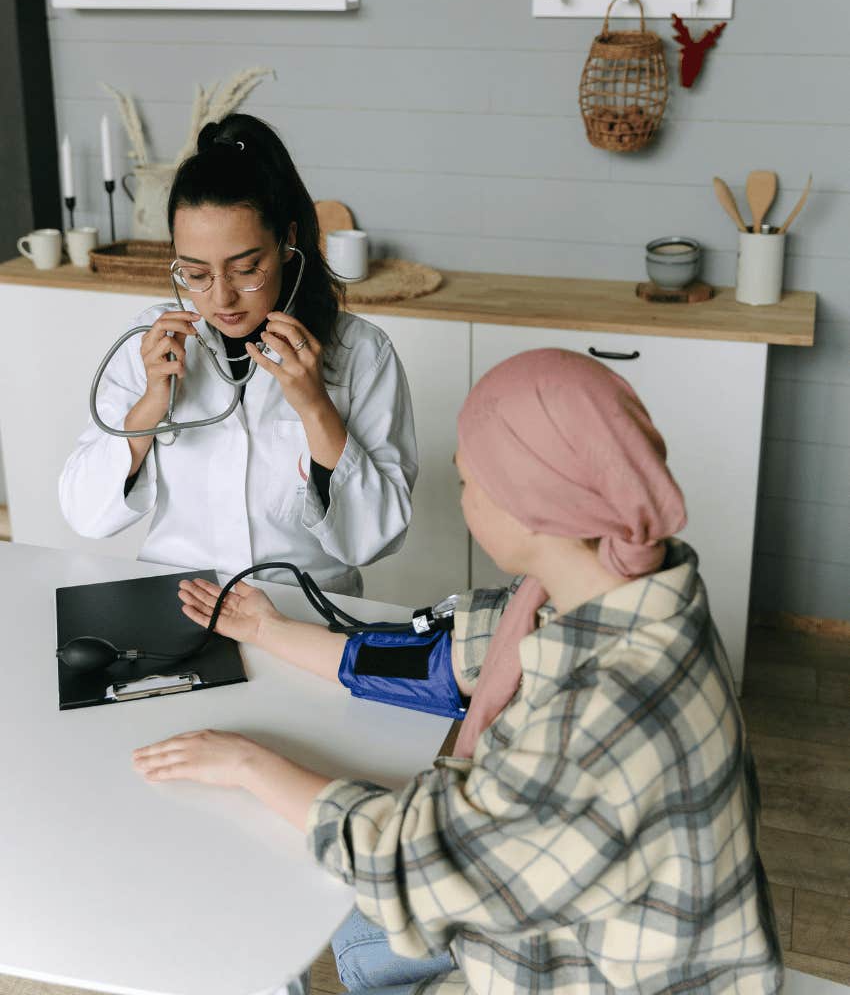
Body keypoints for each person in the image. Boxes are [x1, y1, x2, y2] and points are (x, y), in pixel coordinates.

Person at [132, 349, 782, 994]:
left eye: (469, 482)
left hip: (580, 971)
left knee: (307, 913)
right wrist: (268, 631)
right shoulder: (618, 586)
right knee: (345, 929)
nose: (462, 499)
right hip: (572, 917)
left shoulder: (605, 718)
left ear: (533, 506)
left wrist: (251, 765)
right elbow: (439, 661)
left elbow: (413, 864)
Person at [60, 114, 417, 596]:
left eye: (246, 268)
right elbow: (85, 514)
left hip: (302, 609)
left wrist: (315, 407)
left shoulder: (360, 353)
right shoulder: (150, 343)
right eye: (196, 273)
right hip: (178, 598)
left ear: (288, 242)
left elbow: (374, 538)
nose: (222, 298)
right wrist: (148, 405)